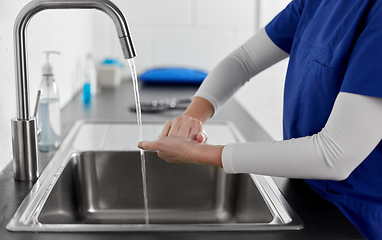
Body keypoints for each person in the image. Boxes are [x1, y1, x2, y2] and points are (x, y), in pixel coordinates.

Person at [138, 0, 382, 239]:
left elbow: (334, 155)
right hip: (305, 190)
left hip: (358, 218)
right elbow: (245, 60)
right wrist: (191, 117)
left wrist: (196, 152)